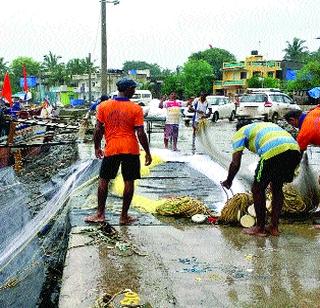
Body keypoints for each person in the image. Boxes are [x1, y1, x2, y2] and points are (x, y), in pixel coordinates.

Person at [84, 77, 152, 225]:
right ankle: (123, 216)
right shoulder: (136, 109)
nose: (134, 91)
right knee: (129, 181)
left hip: (112, 148)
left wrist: (97, 147)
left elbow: (98, 129)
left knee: (104, 180)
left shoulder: (103, 106)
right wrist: (148, 152)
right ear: (127, 89)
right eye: (133, 89)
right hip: (130, 149)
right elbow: (140, 133)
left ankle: (100, 214)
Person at [221, 121, 301, 237]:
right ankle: (274, 227)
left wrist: (229, 180)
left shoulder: (240, 132)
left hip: (273, 150)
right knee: (277, 187)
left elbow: (235, 162)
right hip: (294, 150)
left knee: (257, 189)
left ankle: (260, 228)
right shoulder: (263, 126)